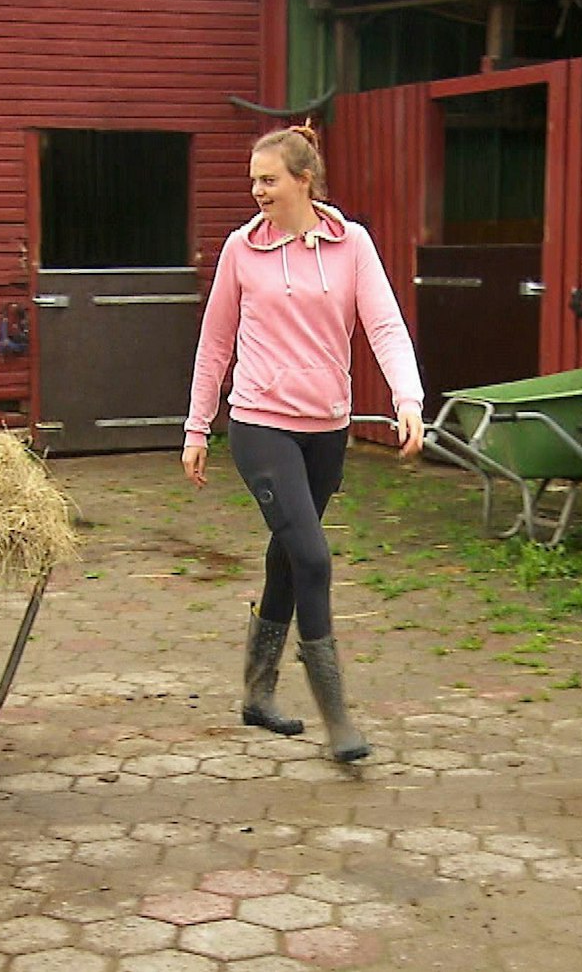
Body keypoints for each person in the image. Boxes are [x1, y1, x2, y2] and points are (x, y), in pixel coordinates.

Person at [183, 124, 426, 763]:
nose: (257, 191)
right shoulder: (242, 250)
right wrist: (197, 426)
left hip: (327, 430)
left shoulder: (352, 246)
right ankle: (338, 718)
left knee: (289, 555)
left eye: (268, 180)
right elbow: (215, 343)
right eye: (253, 181)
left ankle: (257, 696)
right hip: (260, 423)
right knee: (314, 559)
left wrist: (408, 399)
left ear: (303, 181)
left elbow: (385, 325)